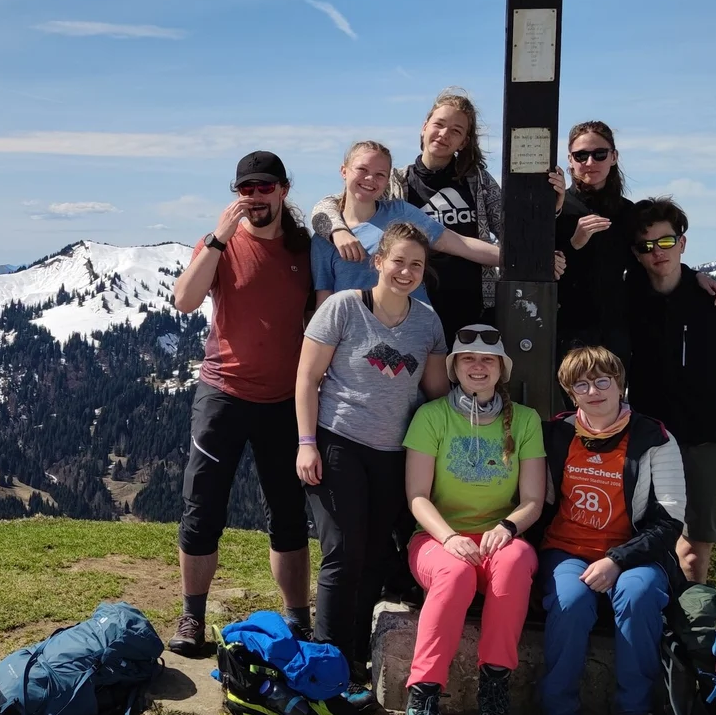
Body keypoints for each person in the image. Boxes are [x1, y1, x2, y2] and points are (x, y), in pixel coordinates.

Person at [168, 150, 316, 657]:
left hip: (283, 400)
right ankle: (192, 617)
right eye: (245, 190)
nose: (254, 198)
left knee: (289, 514)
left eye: (264, 188)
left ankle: (299, 619)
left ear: (283, 190)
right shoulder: (220, 246)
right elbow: (184, 300)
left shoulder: (304, 250)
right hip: (222, 395)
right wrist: (216, 240)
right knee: (202, 509)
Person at [294, 222, 449, 678]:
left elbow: (436, 391)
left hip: (395, 452)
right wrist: (306, 444)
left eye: (416, 265)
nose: (406, 271)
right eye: (398, 260)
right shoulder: (344, 307)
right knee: (342, 550)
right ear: (378, 261)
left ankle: (356, 656)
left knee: (376, 553)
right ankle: (326, 660)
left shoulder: (427, 322)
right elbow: (306, 379)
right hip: (338, 440)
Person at [535, 345, 686, 715]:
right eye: (581, 384)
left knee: (637, 599)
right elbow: (537, 499)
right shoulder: (556, 434)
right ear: (570, 393)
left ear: (620, 384)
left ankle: (635, 713)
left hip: (635, 555)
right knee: (570, 602)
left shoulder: (654, 437)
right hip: (567, 549)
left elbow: (671, 519)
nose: (594, 390)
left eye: (603, 380)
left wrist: (618, 560)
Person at [399, 326, 546, 715]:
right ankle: (422, 698)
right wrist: (447, 537)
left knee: (517, 561)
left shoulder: (524, 420)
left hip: (499, 536)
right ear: (455, 368)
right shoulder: (432, 417)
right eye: (468, 359)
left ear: (501, 369)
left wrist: (509, 527)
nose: (478, 366)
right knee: (455, 573)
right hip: (436, 537)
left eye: (488, 359)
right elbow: (417, 496)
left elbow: (533, 499)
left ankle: (494, 689)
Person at [624, 198, 716, 584]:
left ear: (682, 243)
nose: (656, 253)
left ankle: (686, 634)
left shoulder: (712, 303)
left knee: (693, 553)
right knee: (645, 541)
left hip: (707, 442)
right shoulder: (627, 300)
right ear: (635, 254)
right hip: (650, 438)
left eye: (665, 242)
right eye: (645, 245)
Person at [552, 121, 716, 368]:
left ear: (613, 157)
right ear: (570, 160)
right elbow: (541, 268)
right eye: (581, 155)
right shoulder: (557, 208)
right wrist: (574, 244)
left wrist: (693, 276)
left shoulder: (628, 213)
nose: (590, 163)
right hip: (564, 331)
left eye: (599, 154)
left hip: (617, 332)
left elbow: (652, 255)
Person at [309, 141, 499, 309]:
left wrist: (519, 261)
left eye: (380, 174)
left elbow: (456, 243)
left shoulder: (400, 211)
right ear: (344, 171)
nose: (370, 179)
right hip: (355, 340)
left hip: (415, 334)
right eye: (362, 169)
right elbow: (324, 303)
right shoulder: (324, 238)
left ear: (387, 180)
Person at [398, 91, 504, 345]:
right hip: (412, 309)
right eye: (439, 124)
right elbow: (334, 206)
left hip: (474, 310)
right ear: (424, 128)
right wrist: (337, 229)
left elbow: (512, 230)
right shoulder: (395, 182)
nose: (444, 134)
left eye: (456, 131)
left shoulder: (478, 181)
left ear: (464, 142)